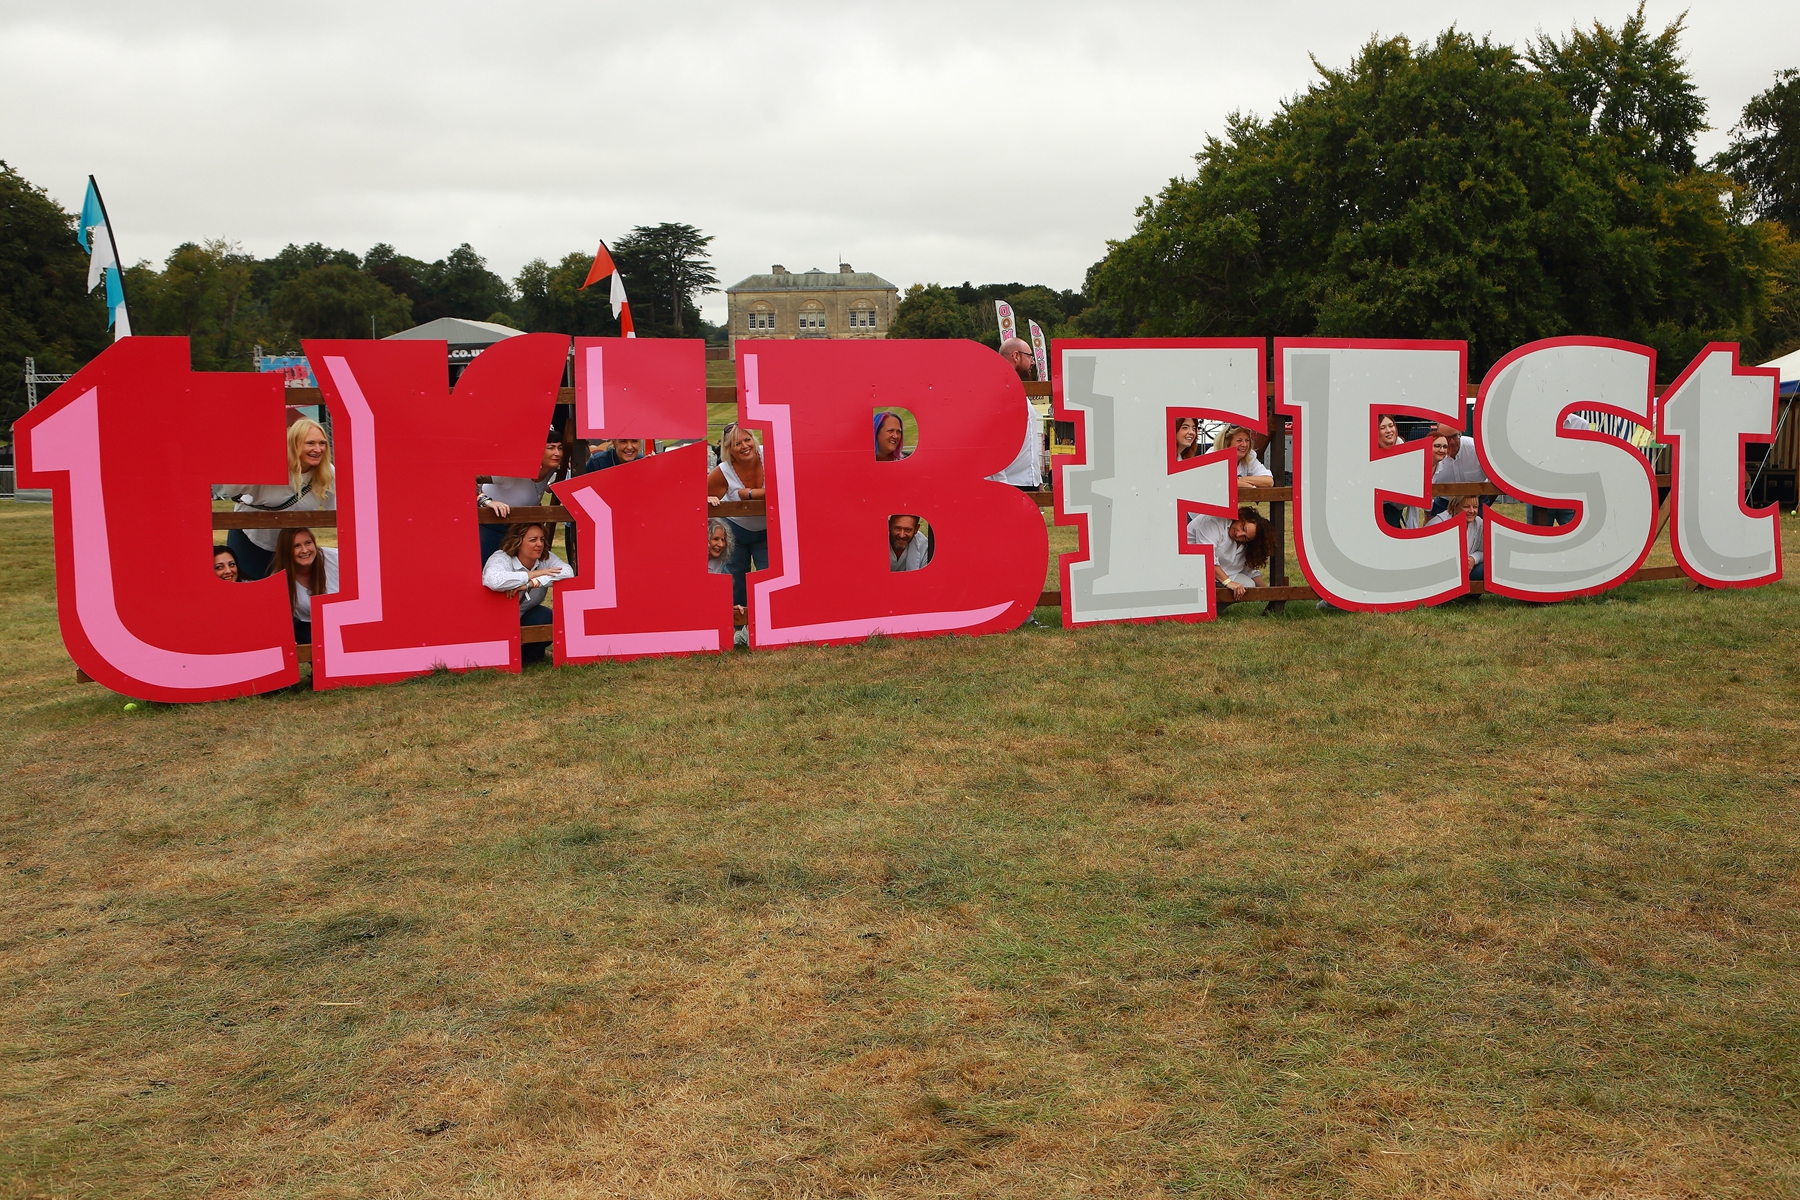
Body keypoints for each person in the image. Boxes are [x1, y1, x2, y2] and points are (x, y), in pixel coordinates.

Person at [220, 418, 335, 581]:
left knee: (290, 593)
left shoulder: (327, 473)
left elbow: (338, 511)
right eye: (310, 443)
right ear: (295, 444)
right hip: (251, 540)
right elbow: (232, 490)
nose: (317, 449)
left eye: (322, 443)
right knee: (248, 590)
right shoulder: (273, 464)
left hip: (292, 547)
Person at [482, 522, 574, 663]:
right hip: (492, 620)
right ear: (518, 542)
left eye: (541, 539)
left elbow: (568, 572)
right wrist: (531, 574)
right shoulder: (502, 557)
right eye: (533, 540)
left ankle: (526, 657)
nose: (539, 544)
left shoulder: (545, 558)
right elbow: (494, 580)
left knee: (546, 617)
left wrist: (532, 583)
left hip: (524, 615)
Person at [477, 434, 563, 566]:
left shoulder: (551, 469)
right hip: (490, 528)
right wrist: (485, 500)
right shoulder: (511, 471)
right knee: (485, 570)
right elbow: (467, 477)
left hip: (519, 531)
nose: (557, 453)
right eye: (551, 448)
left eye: (560, 448)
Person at [707, 423, 769, 608]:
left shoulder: (770, 456)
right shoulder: (723, 470)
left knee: (768, 576)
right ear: (729, 449)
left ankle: (767, 619)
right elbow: (697, 497)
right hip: (735, 531)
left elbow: (787, 486)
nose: (744, 446)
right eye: (737, 443)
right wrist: (708, 499)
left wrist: (750, 494)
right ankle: (736, 621)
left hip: (768, 530)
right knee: (735, 581)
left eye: (747, 439)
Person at [988, 338, 1045, 490]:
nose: (1032, 362)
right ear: (1016, 356)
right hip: (1010, 483)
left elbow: (1029, 439)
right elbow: (992, 440)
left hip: (1027, 482)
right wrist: (1001, 484)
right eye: (1030, 356)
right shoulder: (998, 391)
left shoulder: (1016, 391)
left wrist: (1037, 480)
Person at [269, 527, 338, 646]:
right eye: (296, 546)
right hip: (310, 628)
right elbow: (278, 621)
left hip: (346, 619)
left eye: (308, 543)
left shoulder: (334, 557)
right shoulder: (278, 579)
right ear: (286, 551)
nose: (305, 550)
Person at [1186, 506, 1271, 599]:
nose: (1239, 534)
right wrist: (1228, 582)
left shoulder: (1244, 544)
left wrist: (1268, 593)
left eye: (1245, 537)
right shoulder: (1214, 521)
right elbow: (1207, 558)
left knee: (1248, 585)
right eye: (1243, 528)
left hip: (1219, 576)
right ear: (1242, 518)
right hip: (1191, 570)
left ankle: (1216, 604)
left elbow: (1249, 571)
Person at [1428, 493, 1486, 582]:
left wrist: (1473, 559)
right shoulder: (1438, 524)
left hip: (1465, 572)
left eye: (1475, 507)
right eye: (1466, 507)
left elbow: (1486, 551)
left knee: (1485, 569)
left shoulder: (1479, 523)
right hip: (1440, 574)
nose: (1471, 511)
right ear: (1455, 507)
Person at [707, 518, 749, 635]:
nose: (721, 544)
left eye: (723, 539)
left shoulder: (723, 566)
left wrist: (729, 608)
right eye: (715, 539)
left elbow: (718, 598)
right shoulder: (693, 564)